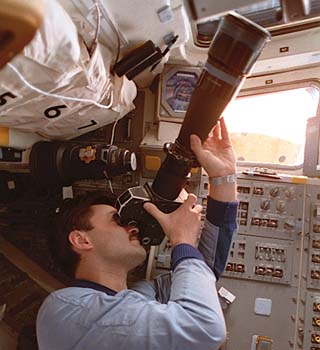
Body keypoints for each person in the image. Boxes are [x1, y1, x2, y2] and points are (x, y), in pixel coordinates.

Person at [36, 117, 238, 350]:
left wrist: (223, 177)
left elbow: (202, 272)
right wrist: (182, 240)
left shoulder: (140, 295)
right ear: (81, 239)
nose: (131, 227)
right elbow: (203, 328)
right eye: (117, 221)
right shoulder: (64, 309)